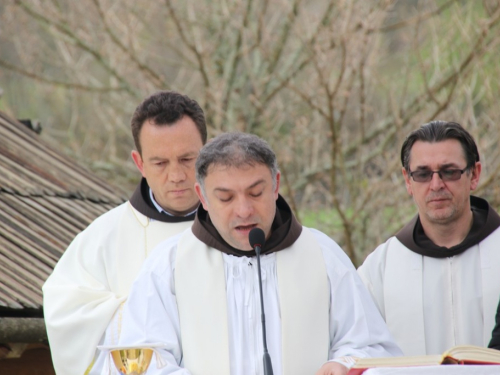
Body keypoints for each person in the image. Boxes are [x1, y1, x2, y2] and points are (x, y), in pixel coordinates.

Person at [113, 132, 401, 375]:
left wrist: (342, 364)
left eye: (255, 193)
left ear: (275, 185)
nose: (244, 210)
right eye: (225, 197)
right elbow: (146, 358)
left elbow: (372, 347)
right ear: (202, 197)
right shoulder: (168, 265)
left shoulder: (322, 256)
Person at [42, 91, 207, 375]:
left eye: (186, 159)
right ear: (139, 163)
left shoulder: (239, 229)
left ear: (206, 153)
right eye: (160, 163)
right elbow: (64, 314)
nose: (177, 175)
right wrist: (143, 312)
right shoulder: (103, 238)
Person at [357, 121, 500, 357]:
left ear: (474, 174)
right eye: (422, 174)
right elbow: (358, 350)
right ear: (407, 180)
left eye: (449, 172)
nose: (436, 185)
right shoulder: (379, 270)